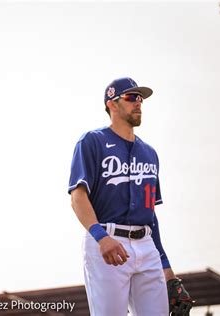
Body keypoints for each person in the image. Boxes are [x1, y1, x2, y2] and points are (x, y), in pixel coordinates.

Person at [68, 77, 180, 315]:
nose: (138, 103)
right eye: (131, 98)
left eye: (140, 99)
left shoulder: (150, 153)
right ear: (112, 104)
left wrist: (166, 266)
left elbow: (151, 214)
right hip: (107, 240)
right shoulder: (92, 141)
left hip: (147, 245)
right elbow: (78, 197)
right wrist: (100, 237)